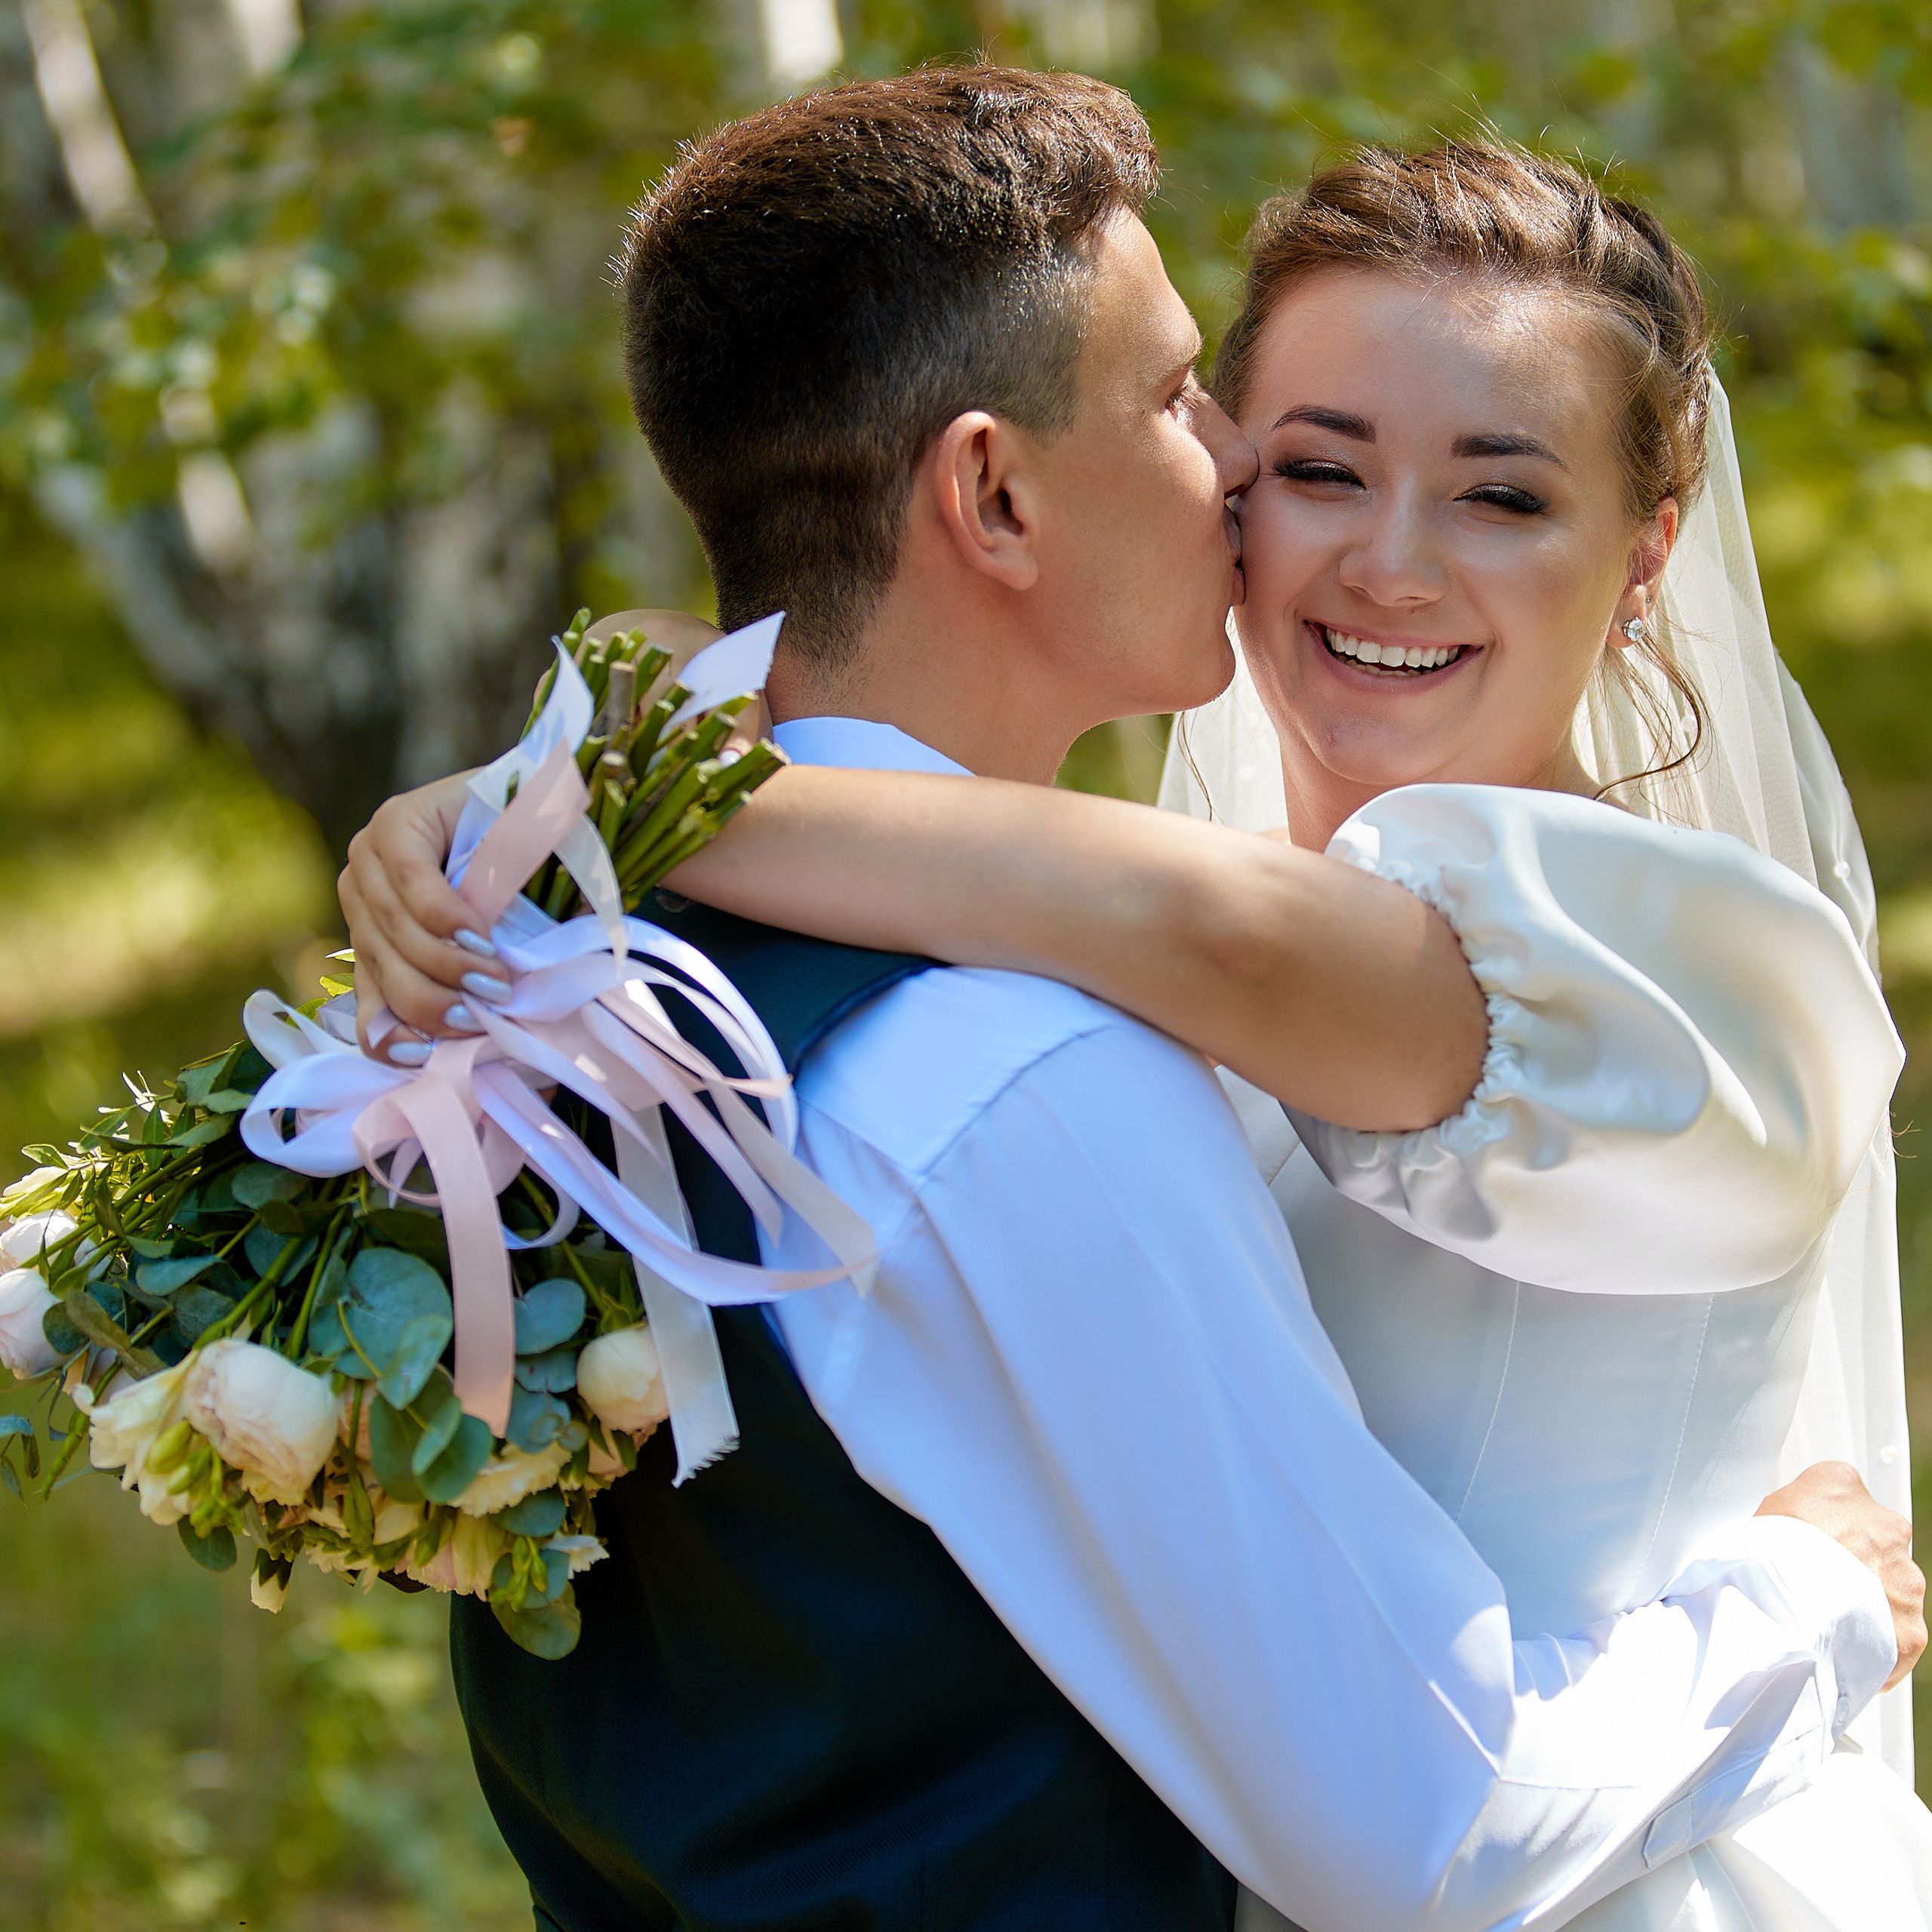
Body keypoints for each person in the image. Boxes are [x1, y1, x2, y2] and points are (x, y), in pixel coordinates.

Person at [340, 78, 1923, 1932]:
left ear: (1646, 548)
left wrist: (613, 779)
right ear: (1002, 491)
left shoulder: (1686, 965)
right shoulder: (1054, 996)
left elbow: (1224, 936)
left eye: (1502, 492)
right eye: (1288, 455)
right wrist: (579, 766)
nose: (1376, 554)